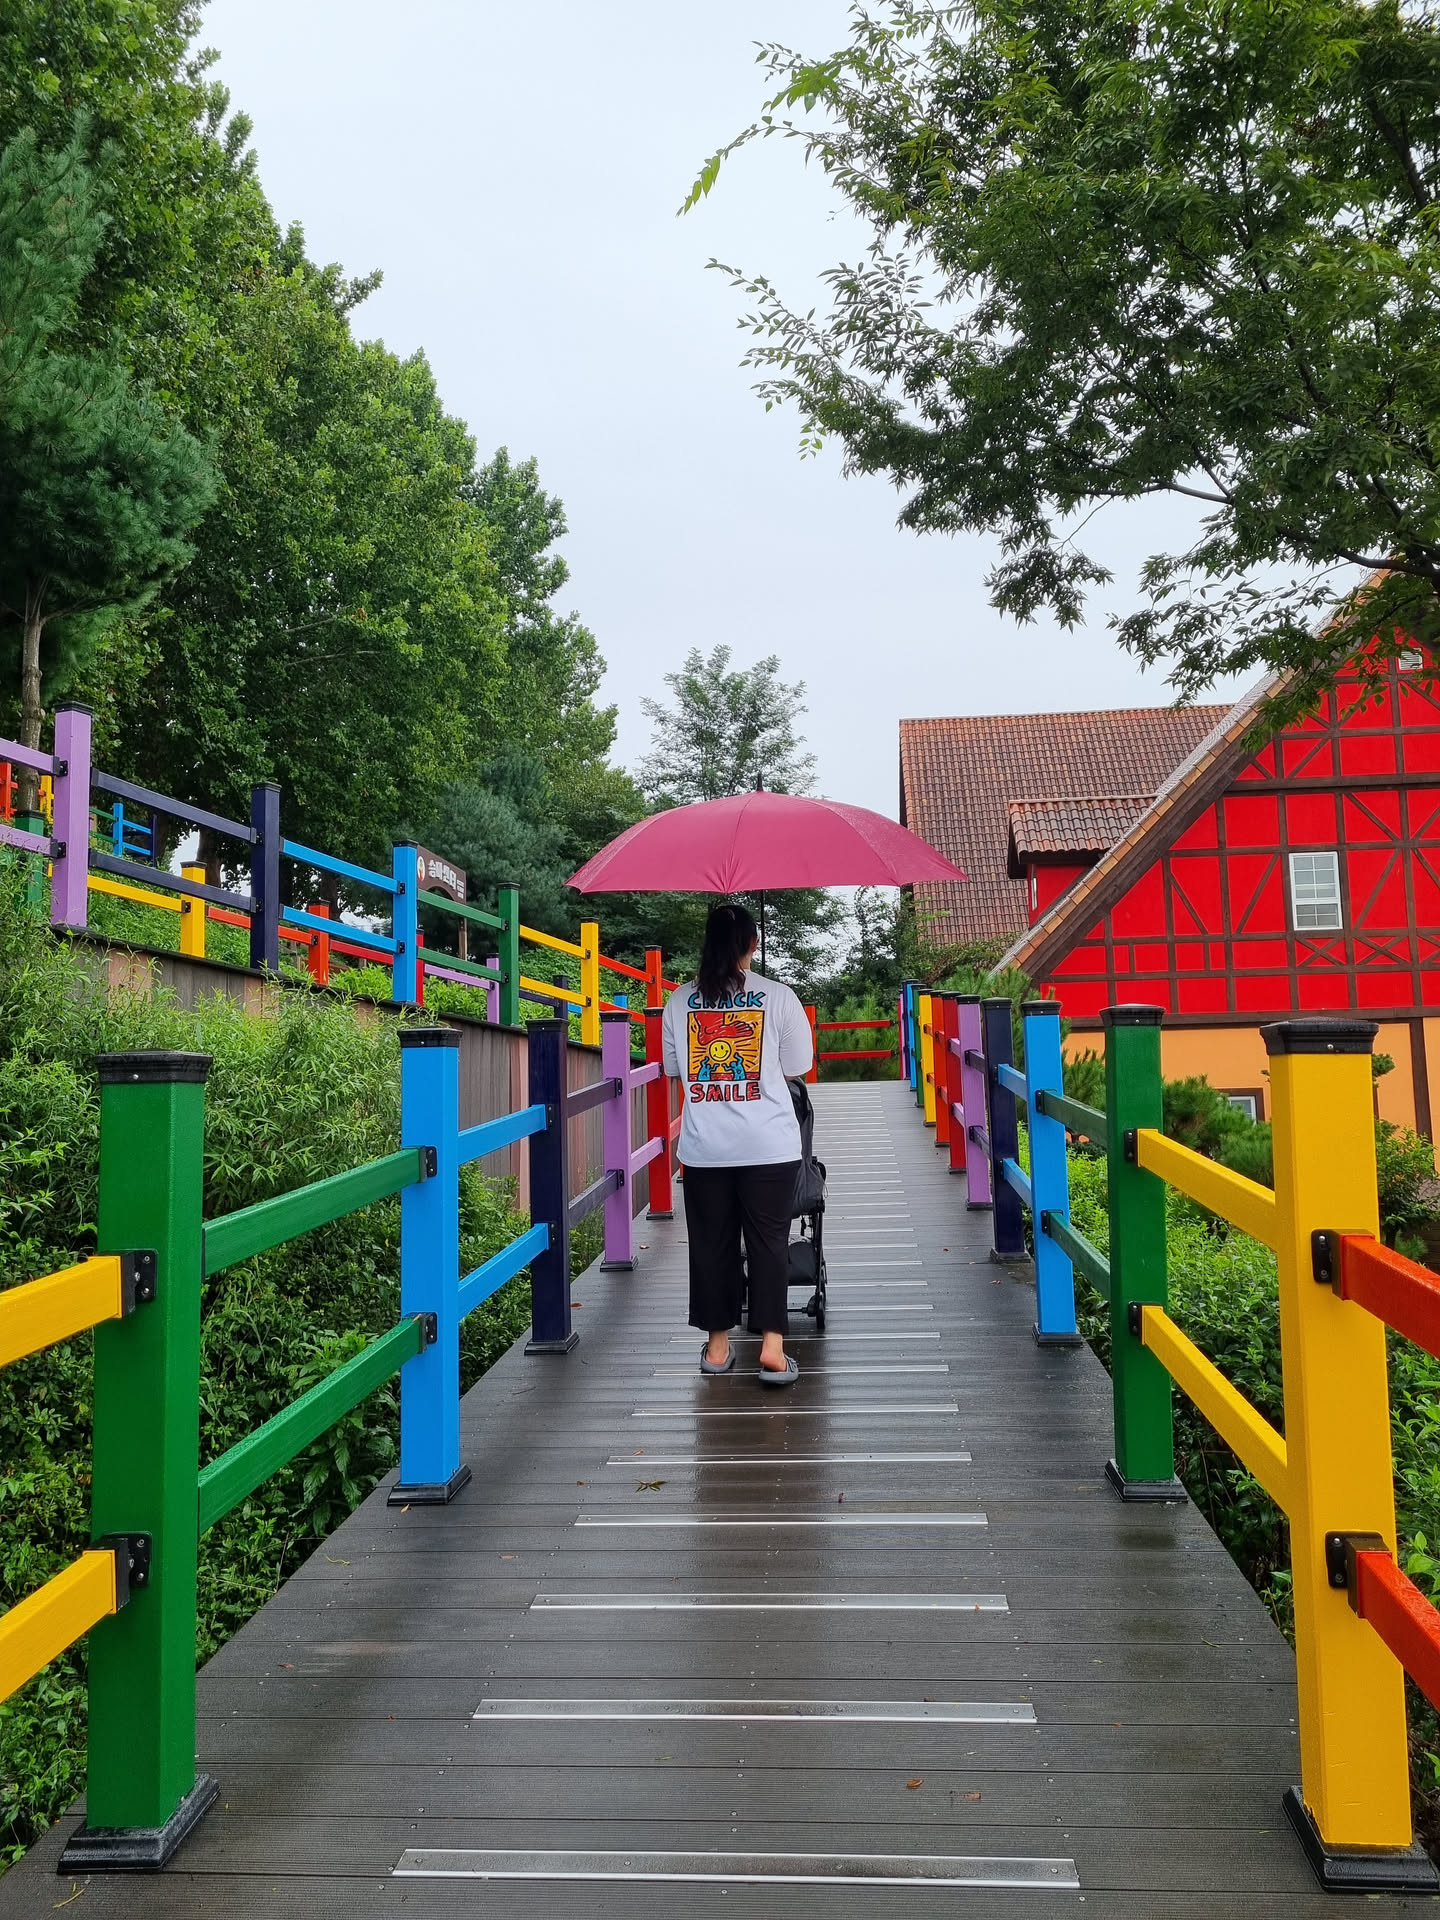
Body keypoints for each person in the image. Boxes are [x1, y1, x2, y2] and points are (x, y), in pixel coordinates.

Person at [661, 901, 815, 1385]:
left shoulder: (678, 1002)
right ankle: (772, 1347)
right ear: (753, 943)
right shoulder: (779, 997)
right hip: (769, 1145)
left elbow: (673, 1068)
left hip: (705, 1148)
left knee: (712, 1244)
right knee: (769, 1243)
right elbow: (798, 1066)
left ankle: (717, 1346)